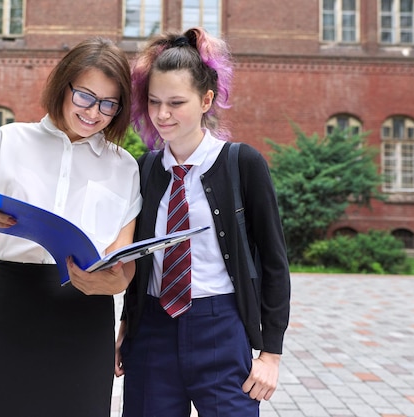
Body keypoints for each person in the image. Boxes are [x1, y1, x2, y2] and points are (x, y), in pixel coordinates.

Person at [0, 37, 142, 417]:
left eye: (109, 104)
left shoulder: (123, 165)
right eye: (85, 97)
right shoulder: (9, 141)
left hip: (86, 309)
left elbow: (122, 260)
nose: (95, 113)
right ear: (63, 86)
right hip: (17, 302)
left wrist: (116, 282)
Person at [115, 27, 291, 417]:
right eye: (155, 101)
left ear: (206, 99)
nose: (162, 114)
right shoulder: (143, 170)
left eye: (176, 102)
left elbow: (275, 261)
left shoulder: (242, 164)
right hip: (152, 330)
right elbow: (139, 257)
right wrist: (127, 325)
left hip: (220, 327)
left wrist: (271, 355)